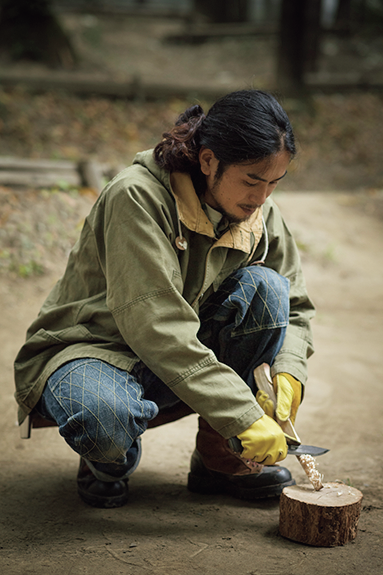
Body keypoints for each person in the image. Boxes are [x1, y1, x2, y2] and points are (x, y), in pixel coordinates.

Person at [14, 89, 315, 508]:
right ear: (209, 160)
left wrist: (288, 370)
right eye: (251, 180)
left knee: (268, 289)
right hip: (96, 350)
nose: (262, 197)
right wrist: (242, 413)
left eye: (273, 183)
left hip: (176, 360)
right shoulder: (135, 196)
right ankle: (108, 461)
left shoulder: (258, 210)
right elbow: (156, 324)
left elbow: (295, 302)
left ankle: (220, 460)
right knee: (105, 420)